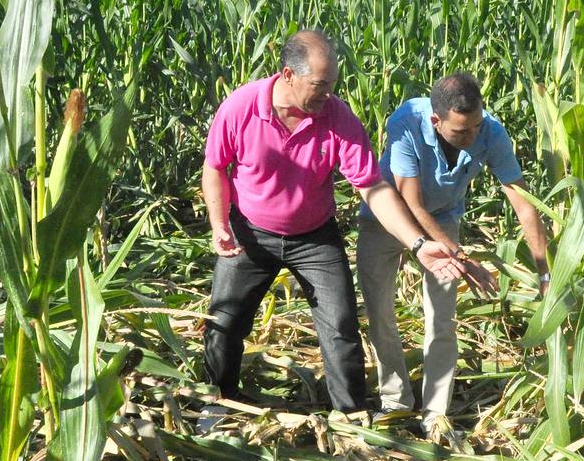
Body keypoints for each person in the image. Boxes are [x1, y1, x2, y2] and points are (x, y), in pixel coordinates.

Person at [200, 31, 472, 424]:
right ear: (288, 75)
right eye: (320, 85)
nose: (328, 94)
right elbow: (214, 166)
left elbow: (372, 188)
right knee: (224, 321)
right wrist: (218, 223)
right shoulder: (242, 107)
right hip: (250, 232)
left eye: (332, 85)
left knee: (341, 324)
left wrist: (416, 243)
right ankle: (217, 401)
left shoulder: (338, 117)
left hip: (314, 237)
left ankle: (349, 413)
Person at [356, 73, 549, 436]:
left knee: (441, 318)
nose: (472, 137)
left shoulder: (489, 131)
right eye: (461, 132)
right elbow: (410, 202)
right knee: (379, 312)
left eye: (476, 126)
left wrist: (545, 272)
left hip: (444, 219)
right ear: (436, 121)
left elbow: (524, 203)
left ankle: (435, 413)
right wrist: (464, 260)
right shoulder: (407, 123)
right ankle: (396, 401)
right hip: (388, 217)